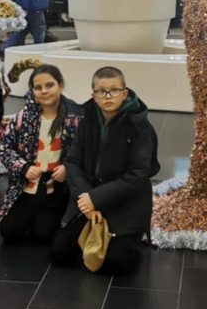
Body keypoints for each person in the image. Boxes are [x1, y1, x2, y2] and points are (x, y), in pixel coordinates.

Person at [51, 66, 159, 276]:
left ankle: (131, 237)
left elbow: (138, 175)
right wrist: (87, 199)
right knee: (60, 253)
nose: (108, 96)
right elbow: (72, 162)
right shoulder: (87, 120)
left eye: (114, 90)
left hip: (124, 201)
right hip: (89, 194)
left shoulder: (140, 127)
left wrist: (96, 198)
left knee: (117, 263)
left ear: (124, 93)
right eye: (101, 91)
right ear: (94, 96)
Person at [0, 64, 82, 244]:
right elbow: (5, 148)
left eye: (49, 85)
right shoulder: (23, 117)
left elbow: (85, 152)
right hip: (26, 185)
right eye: (38, 87)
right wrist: (24, 167)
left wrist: (68, 168)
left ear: (61, 86)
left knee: (45, 235)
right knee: (9, 232)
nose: (44, 91)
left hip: (57, 188)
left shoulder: (75, 119)